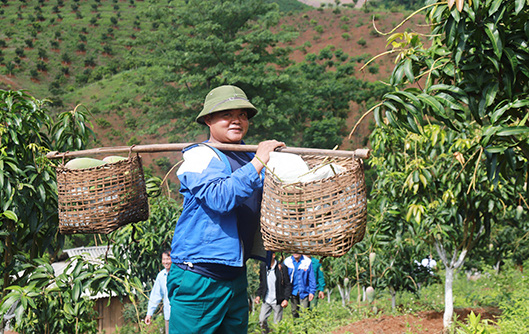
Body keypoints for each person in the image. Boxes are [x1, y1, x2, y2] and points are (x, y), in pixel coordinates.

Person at [167, 85, 285, 333]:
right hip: (200, 275)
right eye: (227, 114)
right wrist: (259, 161)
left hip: (235, 275)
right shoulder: (200, 156)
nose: (236, 121)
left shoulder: (247, 157)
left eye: (242, 115)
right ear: (208, 120)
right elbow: (220, 197)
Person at [254, 253, 292, 333]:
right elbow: (262, 282)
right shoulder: (263, 266)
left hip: (278, 300)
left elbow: (287, 284)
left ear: (273, 255)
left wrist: (286, 299)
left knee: (277, 325)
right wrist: (258, 295)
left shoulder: (282, 267)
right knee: (262, 320)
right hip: (267, 299)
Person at [145, 250, 172, 334]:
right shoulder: (161, 276)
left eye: (168, 259)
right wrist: (149, 314)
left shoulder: (179, 274)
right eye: (163, 259)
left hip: (180, 316)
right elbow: (156, 295)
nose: (165, 262)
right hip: (168, 316)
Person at [284, 253, 316, 318]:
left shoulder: (307, 261)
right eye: (294, 251)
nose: (295, 253)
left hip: (304, 291)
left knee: (304, 311)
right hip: (293, 291)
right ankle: (296, 326)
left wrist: (311, 292)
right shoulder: (287, 261)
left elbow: (311, 278)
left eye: (297, 251)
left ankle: (304, 327)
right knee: (294, 311)